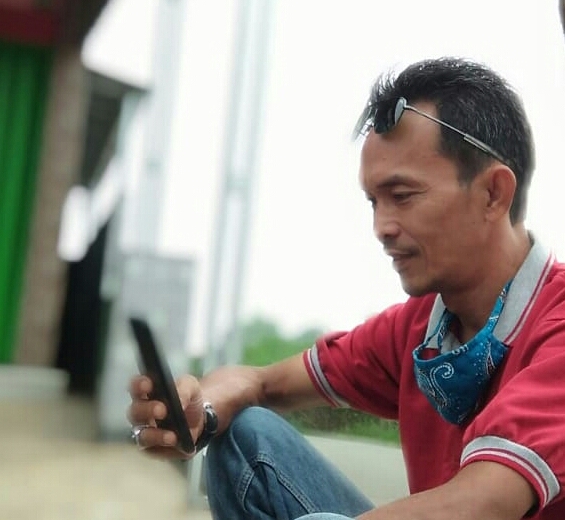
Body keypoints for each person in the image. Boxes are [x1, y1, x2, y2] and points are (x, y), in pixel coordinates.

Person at [127, 56, 565, 520]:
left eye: (402, 196)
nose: (381, 227)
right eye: (374, 202)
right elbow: (259, 383)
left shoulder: (555, 326)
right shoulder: (421, 329)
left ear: (494, 193)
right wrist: (202, 412)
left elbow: (482, 504)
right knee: (245, 437)